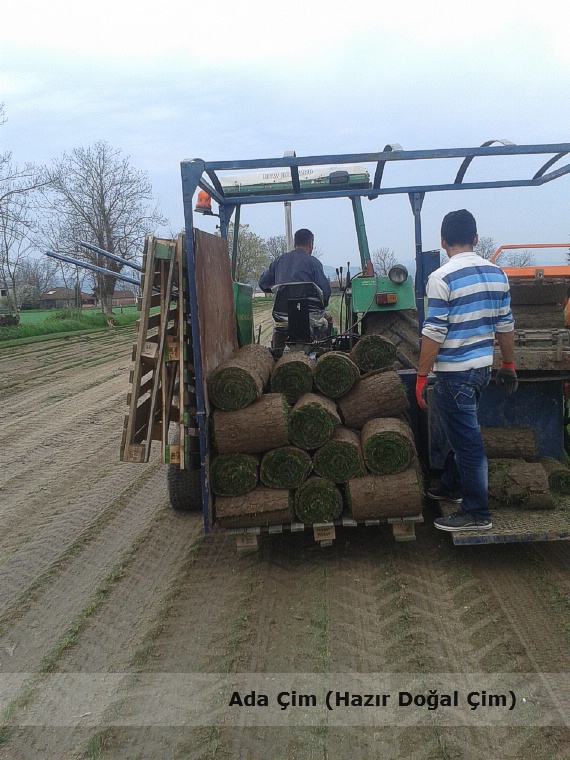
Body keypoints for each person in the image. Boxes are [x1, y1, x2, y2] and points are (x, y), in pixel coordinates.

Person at [415, 209, 518, 532]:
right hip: (481, 370)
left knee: (467, 443)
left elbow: (434, 332)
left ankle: (476, 512)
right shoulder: (497, 274)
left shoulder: (441, 278)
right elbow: (505, 327)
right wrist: (508, 364)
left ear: (442, 240)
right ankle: (452, 485)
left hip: (454, 373)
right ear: (475, 238)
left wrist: (421, 376)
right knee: (458, 432)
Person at [258, 228, 331, 355]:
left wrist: (278, 291)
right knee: (327, 318)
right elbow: (325, 292)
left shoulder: (279, 261)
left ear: (294, 243)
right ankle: (324, 353)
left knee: (279, 326)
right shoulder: (314, 263)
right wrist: (322, 304)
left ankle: (277, 352)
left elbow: (262, 283)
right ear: (310, 243)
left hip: (283, 316)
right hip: (310, 317)